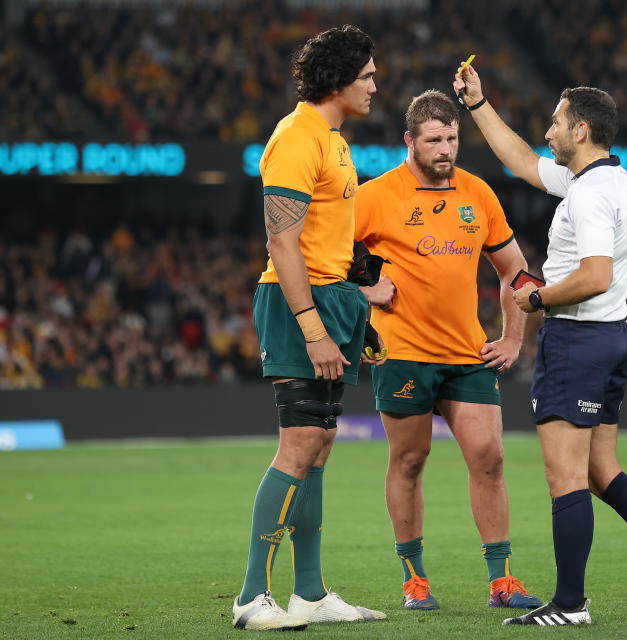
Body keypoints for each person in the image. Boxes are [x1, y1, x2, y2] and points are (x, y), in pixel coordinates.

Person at [454, 64, 627, 627]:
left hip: (576, 339)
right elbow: (520, 161)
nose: (547, 132)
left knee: (565, 478)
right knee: (601, 472)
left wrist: (536, 299)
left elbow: (594, 273)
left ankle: (570, 605)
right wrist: (478, 105)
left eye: (555, 122)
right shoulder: (614, 183)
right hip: (611, 336)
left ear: (580, 131)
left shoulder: (588, 196)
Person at [353, 89, 542, 612]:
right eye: (434, 140)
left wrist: (511, 338)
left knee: (489, 457)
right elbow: (314, 254)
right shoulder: (375, 196)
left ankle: (502, 582)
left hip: (466, 355)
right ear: (409, 141)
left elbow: (515, 272)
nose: (445, 148)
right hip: (404, 353)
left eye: (452, 138)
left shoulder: (477, 194)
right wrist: (363, 290)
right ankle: (415, 580)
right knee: (410, 460)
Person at [232, 25, 389, 631]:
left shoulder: (333, 140)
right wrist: (314, 328)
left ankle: (311, 594)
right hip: (299, 308)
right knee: (298, 447)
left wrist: (357, 312)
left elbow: (328, 244)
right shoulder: (298, 137)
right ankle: (251, 598)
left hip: (332, 303)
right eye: (368, 76)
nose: (375, 86)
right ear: (340, 80)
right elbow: (282, 239)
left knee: (320, 448)